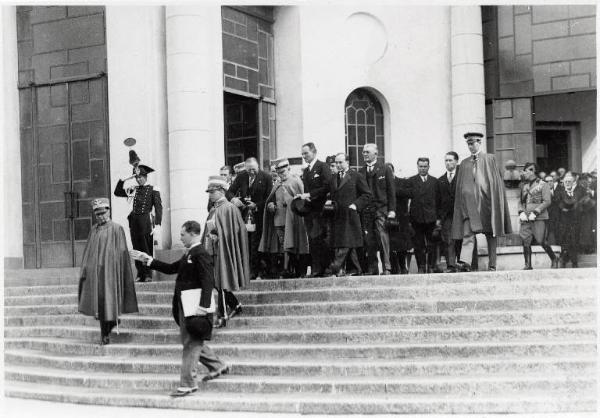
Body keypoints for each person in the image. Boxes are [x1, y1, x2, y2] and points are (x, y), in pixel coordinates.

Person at [132, 220, 228, 397]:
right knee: (191, 341)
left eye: (183, 234)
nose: (180, 237)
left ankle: (188, 383)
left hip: (195, 307)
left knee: (191, 344)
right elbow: (170, 268)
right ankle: (217, 365)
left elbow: (208, 282)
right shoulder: (190, 254)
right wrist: (149, 260)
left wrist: (203, 307)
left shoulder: (201, 254)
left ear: (193, 233)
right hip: (186, 305)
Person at [78, 198, 138, 345]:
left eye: (103, 213)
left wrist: (115, 267)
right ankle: (104, 333)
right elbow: (88, 251)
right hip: (96, 273)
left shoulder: (117, 229)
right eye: (97, 214)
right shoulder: (94, 229)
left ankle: (110, 327)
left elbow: (122, 252)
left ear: (109, 211)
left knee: (109, 302)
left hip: (110, 272)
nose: (100, 216)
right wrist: (86, 268)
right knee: (99, 304)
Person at [452, 132, 512, 272]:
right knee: (468, 233)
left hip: (486, 204)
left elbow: (496, 182)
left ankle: (492, 265)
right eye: (468, 144)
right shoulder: (464, 163)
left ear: (479, 142)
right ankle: (465, 262)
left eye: (473, 143)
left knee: (490, 234)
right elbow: (461, 186)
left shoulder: (490, 159)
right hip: (470, 205)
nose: (471, 147)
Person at [203, 176, 250, 327]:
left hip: (223, 249)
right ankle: (235, 305)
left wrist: (220, 236)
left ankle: (222, 316)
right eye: (209, 192)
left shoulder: (229, 208)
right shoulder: (214, 208)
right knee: (216, 282)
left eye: (213, 191)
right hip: (213, 250)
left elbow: (236, 230)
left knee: (221, 282)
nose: (210, 194)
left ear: (222, 191)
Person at [259, 159, 309, 278]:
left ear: (289, 169)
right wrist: (271, 205)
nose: (282, 174)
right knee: (283, 245)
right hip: (279, 219)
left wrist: (290, 201)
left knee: (294, 243)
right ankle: (286, 269)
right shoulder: (277, 183)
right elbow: (271, 199)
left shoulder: (296, 181)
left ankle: (295, 269)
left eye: (283, 171)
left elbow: (302, 200)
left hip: (293, 219)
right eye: (279, 172)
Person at [114, 164, 162, 282]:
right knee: (136, 247)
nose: (139, 179)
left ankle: (148, 274)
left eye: (141, 177)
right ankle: (140, 274)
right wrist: (123, 180)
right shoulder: (133, 189)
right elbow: (117, 192)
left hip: (146, 220)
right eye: (137, 177)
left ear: (146, 177)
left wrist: (158, 224)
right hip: (134, 221)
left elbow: (158, 207)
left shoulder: (153, 189)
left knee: (146, 247)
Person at [326, 153, 371, 276]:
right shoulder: (333, 178)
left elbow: (367, 195)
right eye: (337, 163)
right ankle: (357, 269)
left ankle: (336, 266)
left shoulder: (356, 176)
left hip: (350, 215)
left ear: (347, 162)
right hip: (337, 216)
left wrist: (356, 205)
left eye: (341, 162)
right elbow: (331, 193)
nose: (338, 165)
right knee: (348, 242)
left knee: (347, 242)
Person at [228, 157, 273, 280]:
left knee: (257, 244)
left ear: (258, 167)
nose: (251, 172)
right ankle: (248, 271)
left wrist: (257, 205)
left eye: (253, 169)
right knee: (246, 243)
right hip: (244, 215)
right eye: (249, 170)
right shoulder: (242, 176)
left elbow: (270, 198)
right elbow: (229, 192)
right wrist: (234, 199)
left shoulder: (266, 177)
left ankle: (260, 271)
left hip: (259, 216)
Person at [358, 143, 396, 275]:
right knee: (369, 240)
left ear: (376, 153)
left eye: (367, 152)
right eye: (363, 152)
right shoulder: (361, 172)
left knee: (382, 237)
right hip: (366, 211)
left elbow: (391, 191)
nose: (364, 154)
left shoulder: (385, 169)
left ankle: (387, 267)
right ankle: (373, 267)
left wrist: (392, 210)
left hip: (381, 209)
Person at [297, 142, 332, 277]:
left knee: (321, 239)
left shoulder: (323, 167)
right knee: (312, 240)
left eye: (306, 153)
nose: (304, 156)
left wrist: (311, 195)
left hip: (321, 209)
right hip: (310, 210)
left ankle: (326, 268)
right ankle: (316, 268)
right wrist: (304, 197)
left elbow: (327, 186)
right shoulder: (306, 171)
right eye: (303, 154)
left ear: (314, 152)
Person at [518, 162, 558, 269]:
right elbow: (521, 201)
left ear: (532, 171)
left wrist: (535, 212)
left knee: (541, 240)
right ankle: (527, 265)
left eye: (526, 171)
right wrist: (521, 212)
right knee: (525, 240)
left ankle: (554, 258)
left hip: (539, 217)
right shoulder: (524, 186)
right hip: (526, 217)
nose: (524, 173)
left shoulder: (543, 184)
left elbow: (547, 201)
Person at [407, 157, 441, 273]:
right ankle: (421, 267)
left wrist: (438, 219)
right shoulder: (411, 181)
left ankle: (431, 266)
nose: (422, 169)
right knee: (418, 245)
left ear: (428, 167)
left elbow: (438, 201)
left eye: (425, 166)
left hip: (431, 219)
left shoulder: (434, 181)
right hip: (416, 219)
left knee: (432, 244)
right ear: (417, 166)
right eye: (420, 166)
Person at [437, 152, 462, 272]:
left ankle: (464, 265)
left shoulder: (463, 177)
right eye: (446, 160)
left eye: (450, 160)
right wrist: (439, 218)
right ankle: (451, 265)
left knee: (462, 239)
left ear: (456, 161)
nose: (448, 163)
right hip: (446, 216)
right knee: (448, 240)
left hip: (461, 214)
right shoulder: (440, 180)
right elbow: (437, 200)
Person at [556, 172, 586, 267]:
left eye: (569, 181)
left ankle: (574, 261)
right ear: (563, 182)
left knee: (574, 239)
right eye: (566, 181)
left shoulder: (579, 190)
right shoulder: (560, 190)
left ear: (573, 182)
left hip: (575, 219)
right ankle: (564, 260)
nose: (567, 183)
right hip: (563, 220)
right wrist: (563, 207)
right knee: (565, 240)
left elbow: (583, 202)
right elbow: (558, 201)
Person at [388, 163, 413, 274]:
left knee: (402, 245)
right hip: (388, 218)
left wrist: (393, 190)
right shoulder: (382, 184)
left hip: (401, 219)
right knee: (390, 244)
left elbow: (409, 193)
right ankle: (394, 268)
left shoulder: (401, 182)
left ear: (393, 172)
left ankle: (403, 267)